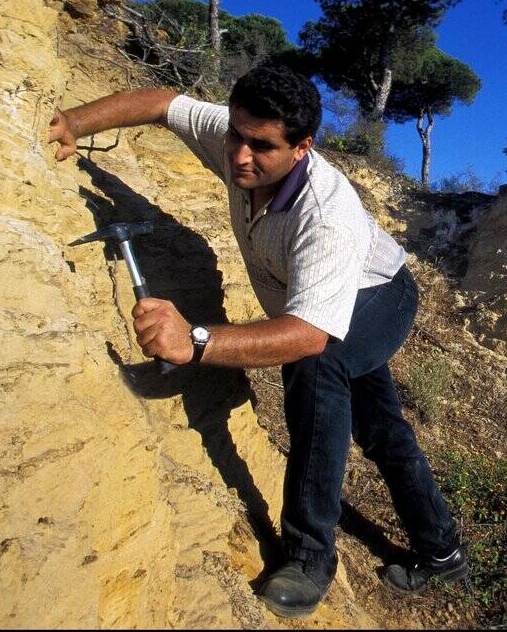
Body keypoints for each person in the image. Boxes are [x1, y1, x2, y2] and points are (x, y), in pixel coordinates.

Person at [48, 66, 466, 618]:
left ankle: (310, 558)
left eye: (261, 146)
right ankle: (443, 550)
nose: (240, 156)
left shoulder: (326, 212)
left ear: (301, 147)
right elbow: (162, 103)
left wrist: (195, 341)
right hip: (325, 303)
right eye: (236, 136)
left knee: (317, 372)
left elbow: (308, 333)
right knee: (382, 428)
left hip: (380, 296)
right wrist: (73, 122)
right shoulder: (234, 134)